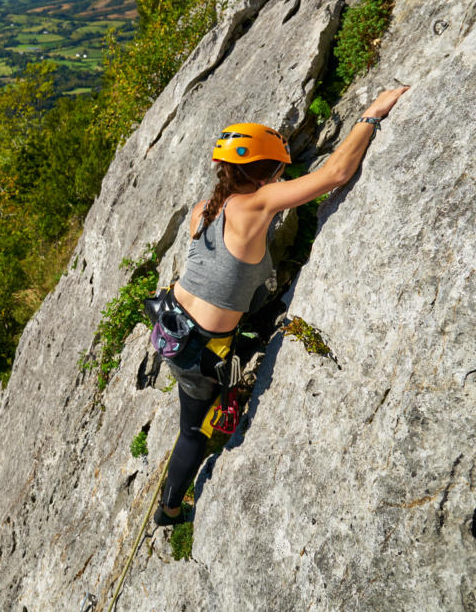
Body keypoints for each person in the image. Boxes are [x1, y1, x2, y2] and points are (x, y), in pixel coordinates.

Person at [153, 86, 409, 526]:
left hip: (171, 327)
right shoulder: (261, 203)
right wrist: (371, 114)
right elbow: (335, 175)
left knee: (197, 410)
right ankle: (170, 510)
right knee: (193, 432)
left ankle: (175, 496)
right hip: (201, 349)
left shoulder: (203, 209)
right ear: (268, 171)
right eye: (277, 170)